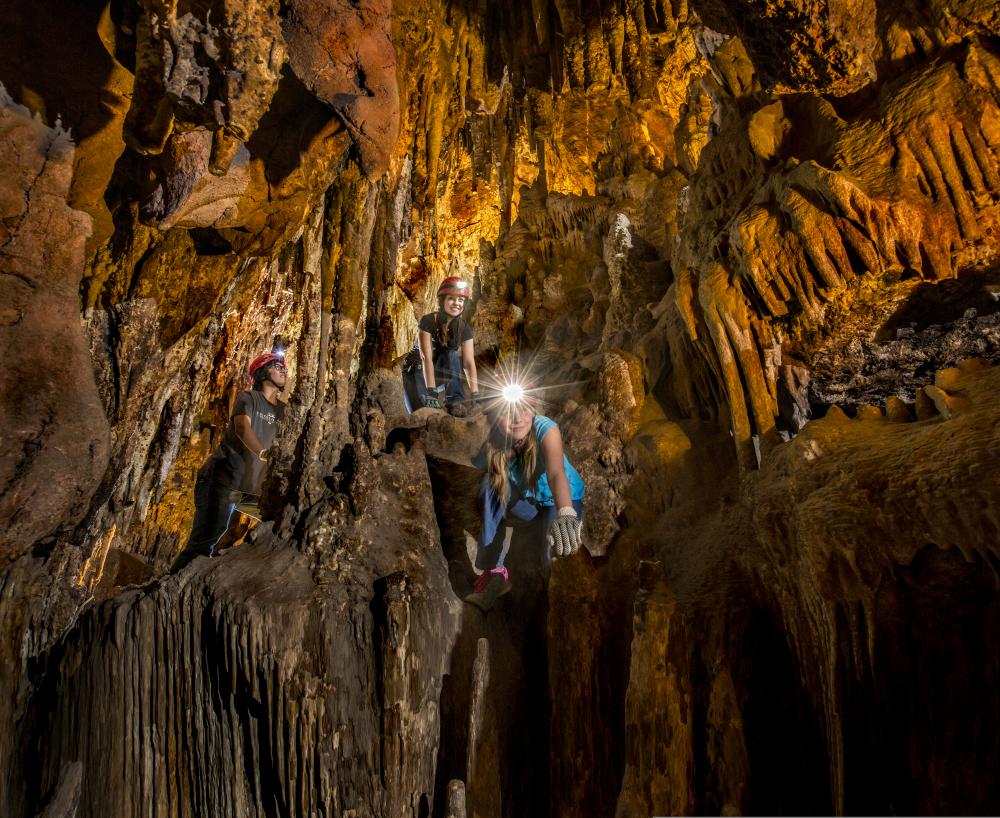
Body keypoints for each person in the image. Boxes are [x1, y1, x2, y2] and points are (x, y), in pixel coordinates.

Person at [465, 394, 586, 610]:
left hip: (557, 501)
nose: (517, 419)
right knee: (489, 484)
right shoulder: (494, 443)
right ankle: (493, 572)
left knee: (551, 552)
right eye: (507, 413)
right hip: (529, 506)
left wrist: (566, 512)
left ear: (533, 411)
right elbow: (476, 468)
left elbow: (556, 473)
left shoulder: (545, 429)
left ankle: (552, 605)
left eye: (523, 410)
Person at [170, 352, 287, 572]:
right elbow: (243, 428)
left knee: (280, 524)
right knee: (204, 544)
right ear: (262, 373)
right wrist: (263, 453)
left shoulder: (285, 411)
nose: (283, 369)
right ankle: (169, 588)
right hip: (222, 478)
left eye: (284, 367)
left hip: (249, 490)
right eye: (275, 365)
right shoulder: (248, 398)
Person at [403, 277, 479, 412]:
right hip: (416, 373)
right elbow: (426, 358)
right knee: (421, 414)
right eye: (451, 298)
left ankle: (455, 400)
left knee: (450, 354)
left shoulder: (464, 327)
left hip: (438, 372)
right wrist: (431, 393)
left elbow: (468, 363)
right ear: (442, 300)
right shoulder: (428, 321)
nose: (456, 303)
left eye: (460, 300)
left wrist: (475, 393)